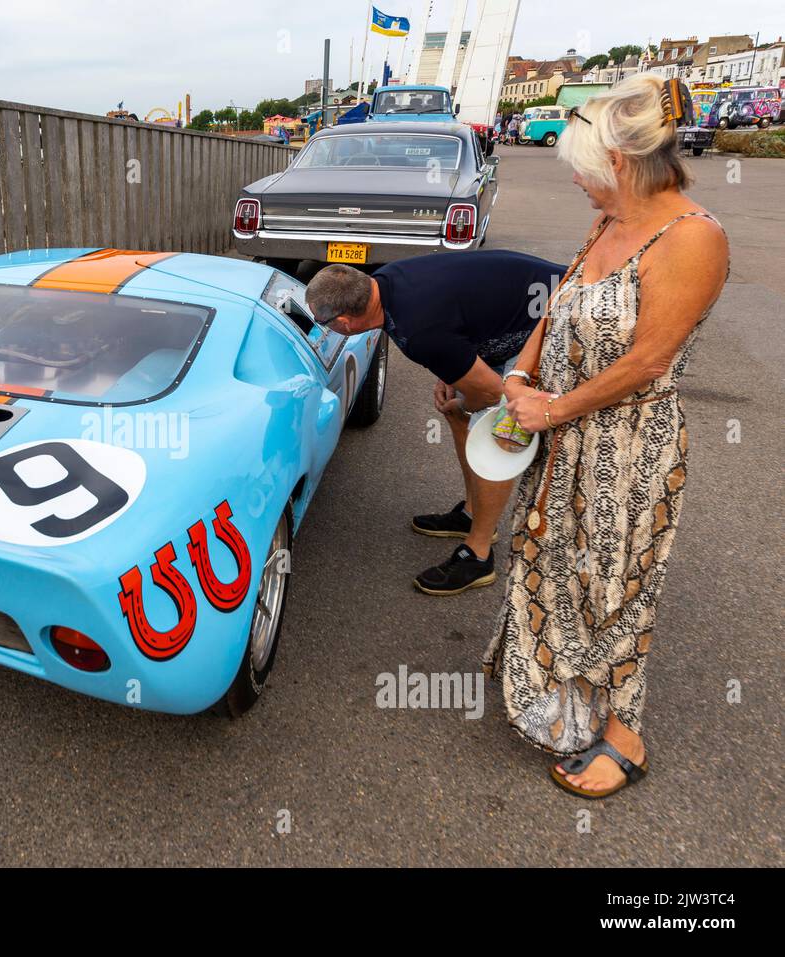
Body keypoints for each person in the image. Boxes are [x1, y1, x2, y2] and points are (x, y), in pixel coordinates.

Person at [483, 73, 728, 798]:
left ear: (618, 162)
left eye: (587, 173)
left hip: (628, 450)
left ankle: (625, 735)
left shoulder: (692, 238)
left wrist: (554, 411)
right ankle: (546, 690)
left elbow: (649, 359)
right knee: (542, 552)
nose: (581, 187)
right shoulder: (608, 222)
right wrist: (519, 373)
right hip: (562, 433)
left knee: (617, 584)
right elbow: (558, 307)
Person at [304, 249, 563, 594]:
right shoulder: (385, 284)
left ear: (344, 323)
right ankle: (472, 513)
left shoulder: (419, 329)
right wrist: (455, 374)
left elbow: (488, 391)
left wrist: (466, 397)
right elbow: (453, 327)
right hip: (519, 309)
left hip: (554, 317)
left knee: (494, 430)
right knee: (458, 413)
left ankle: (479, 553)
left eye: (325, 324)